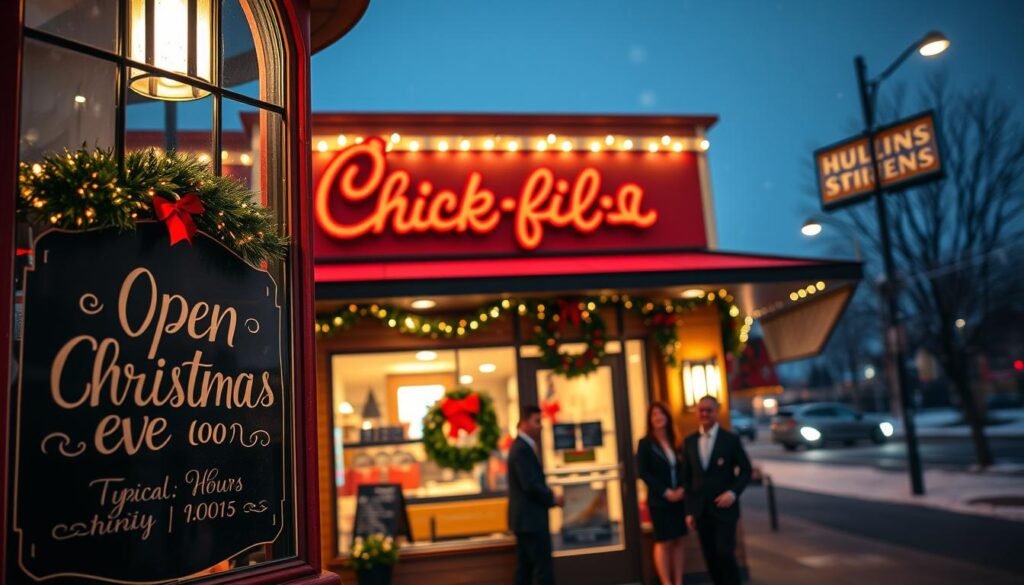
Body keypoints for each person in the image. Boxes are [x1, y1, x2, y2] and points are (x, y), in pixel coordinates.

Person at [682, 396, 752, 585]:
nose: (704, 414)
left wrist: (733, 493)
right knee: (710, 556)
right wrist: (689, 510)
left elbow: (746, 470)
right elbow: (686, 479)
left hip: (725, 510)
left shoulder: (730, 439)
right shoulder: (689, 442)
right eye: (701, 410)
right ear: (696, 412)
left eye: (709, 410)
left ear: (717, 411)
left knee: (724, 552)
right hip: (700, 511)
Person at [508, 405, 563, 585]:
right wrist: (552, 498)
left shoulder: (523, 447)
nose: (541, 426)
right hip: (531, 520)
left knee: (525, 570)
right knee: (542, 570)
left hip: (526, 521)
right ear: (524, 423)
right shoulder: (521, 449)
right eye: (537, 421)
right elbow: (530, 484)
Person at [637, 402, 687, 585]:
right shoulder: (645, 444)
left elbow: (685, 469)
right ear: (650, 420)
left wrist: (682, 489)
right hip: (660, 500)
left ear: (667, 417)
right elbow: (643, 472)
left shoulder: (677, 441)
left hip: (680, 498)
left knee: (679, 540)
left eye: (661, 414)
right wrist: (666, 492)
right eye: (654, 415)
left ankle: (678, 581)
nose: (658, 418)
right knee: (664, 541)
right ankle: (666, 582)